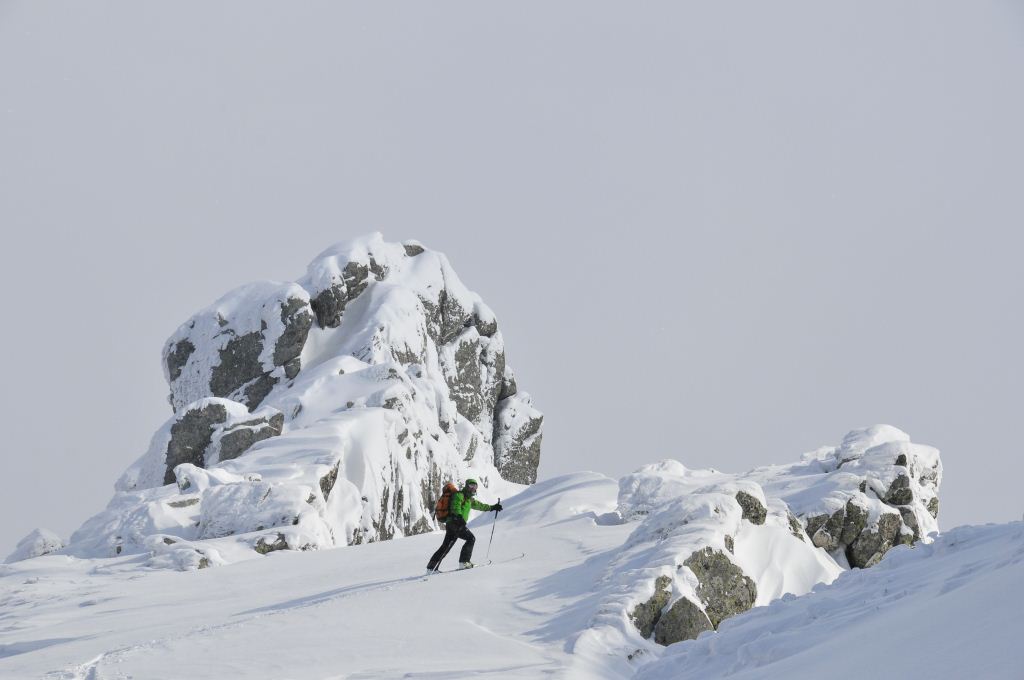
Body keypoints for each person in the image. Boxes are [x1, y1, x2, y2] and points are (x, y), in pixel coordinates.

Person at [426, 479, 502, 573]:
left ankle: (431, 567)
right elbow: (455, 506)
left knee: (446, 546)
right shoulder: (459, 495)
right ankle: (464, 562)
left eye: (475, 486)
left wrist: (493, 507)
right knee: (470, 539)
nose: (473, 488)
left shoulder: (469, 499)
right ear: (466, 486)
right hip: (455, 523)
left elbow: (480, 506)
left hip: (454, 524)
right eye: (471, 485)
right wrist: (458, 516)